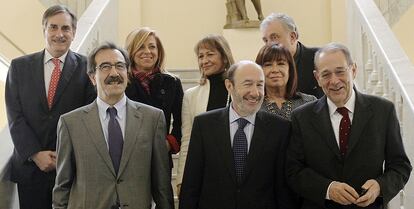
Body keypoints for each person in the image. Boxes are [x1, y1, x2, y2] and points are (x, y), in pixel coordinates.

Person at [286, 43, 412, 209]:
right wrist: (328, 189)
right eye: (326, 74)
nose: (334, 81)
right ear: (317, 78)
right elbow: (294, 171)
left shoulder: (383, 110)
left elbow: (400, 166)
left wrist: (380, 186)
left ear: (353, 70)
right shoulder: (301, 117)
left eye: (340, 71)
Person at [52, 42, 174, 209]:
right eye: (105, 67)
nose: (114, 73)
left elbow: (162, 185)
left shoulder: (152, 118)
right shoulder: (70, 123)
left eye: (120, 66)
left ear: (128, 73)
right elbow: (62, 187)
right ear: (92, 77)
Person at [5, 5, 95, 209]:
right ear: (44, 30)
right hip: (30, 169)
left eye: (65, 28)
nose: (59, 34)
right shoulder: (19, 67)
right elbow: (15, 117)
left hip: (72, 171)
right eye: (53, 27)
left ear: (74, 32)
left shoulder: (88, 68)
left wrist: (64, 156)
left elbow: (89, 118)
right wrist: (35, 154)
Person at [179, 60, 297, 209]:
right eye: (247, 84)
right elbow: (191, 184)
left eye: (260, 85)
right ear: (229, 86)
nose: (255, 92)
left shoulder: (280, 128)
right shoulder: (204, 125)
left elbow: (283, 189)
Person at [176, 34, 235, 193]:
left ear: (224, 56)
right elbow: (187, 138)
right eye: (200, 56)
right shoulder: (191, 95)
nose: (204, 60)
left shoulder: (237, 89)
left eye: (210, 54)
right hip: (204, 167)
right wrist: (181, 178)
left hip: (235, 166)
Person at [125, 27, 183, 170]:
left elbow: (181, 121)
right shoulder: (122, 82)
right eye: (141, 47)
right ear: (131, 52)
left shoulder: (172, 82)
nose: (147, 52)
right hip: (127, 159)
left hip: (160, 159)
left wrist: (169, 143)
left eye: (152, 47)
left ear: (159, 51)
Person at [260, 13, 323, 98]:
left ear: (293, 37)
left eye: (274, 38)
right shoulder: (260, 66)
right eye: (266, 40)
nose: (269, 45)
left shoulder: (319, 59)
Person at [255, 44, 316, 120]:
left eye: (281, 64)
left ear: (290, 70)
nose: (275, 70)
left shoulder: (309, 102)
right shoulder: (253, 105)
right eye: (268, 65)